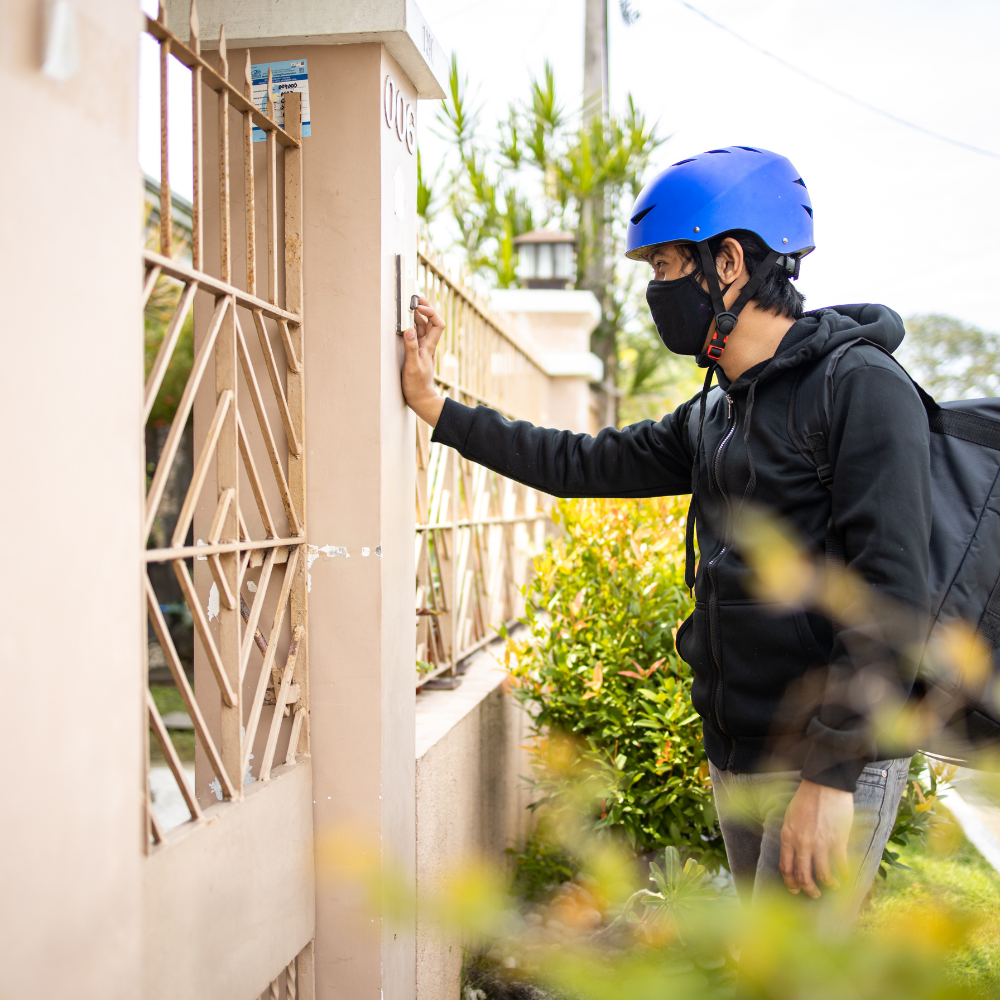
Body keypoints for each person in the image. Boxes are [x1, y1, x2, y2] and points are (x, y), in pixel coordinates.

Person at [400, 145, 930, 921]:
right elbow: (580, 463)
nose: (655, 289)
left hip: (824, 761)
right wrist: (436, 408)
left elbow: (893, 597)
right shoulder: (718, 408)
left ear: (729, 261)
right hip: (740, 752)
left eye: (665, 266)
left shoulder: (859, 389)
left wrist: (832, 776)